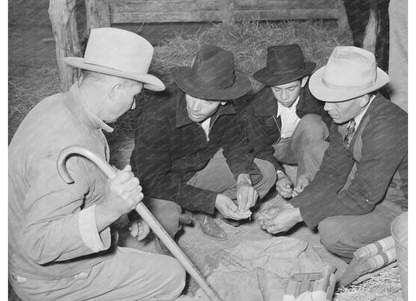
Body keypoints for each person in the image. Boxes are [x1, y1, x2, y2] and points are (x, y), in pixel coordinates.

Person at [8, 28, 188, 301]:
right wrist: (109, 210)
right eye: (134, 95)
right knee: (173, 277)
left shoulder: (60, 106)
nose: (132, 106)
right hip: (49, 277)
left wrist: (122, 214)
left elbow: (82, 186)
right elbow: (38, 244)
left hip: (29, 257)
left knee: (151, 242)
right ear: (115, 88)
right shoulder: (64, 147)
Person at [258, 46, 407, 262]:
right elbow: (331, 174)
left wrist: (299, 215)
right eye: (327, 98)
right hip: (371, 182)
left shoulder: (387, 125)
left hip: (399, 204)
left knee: (332, 232)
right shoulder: (347, 115)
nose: (327, 107)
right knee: (315, 151)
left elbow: (362, 198)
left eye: (336, 100)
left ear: (363, 98)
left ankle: (398, 250)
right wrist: (292, 206)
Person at [130, 45, 276, 242]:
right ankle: (190, 216)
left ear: (224, 100)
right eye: (193, 95)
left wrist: (243, 180)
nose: (196, 108)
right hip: (161, 183)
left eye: (209, 101)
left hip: (197, 170)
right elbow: (152, 180)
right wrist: (210, 199)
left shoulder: (227, 108)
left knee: (265, 172)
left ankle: (206, 212)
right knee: (167, 218)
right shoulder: (156, 114)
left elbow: (235, 143)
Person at [239, 44, 331, 199]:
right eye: (277, 90)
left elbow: (333, 131)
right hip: (274, 150)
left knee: (312, 123)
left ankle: (305, 183)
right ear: (269, 86)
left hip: (305, 145)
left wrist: (311, 172)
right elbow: (257, 147)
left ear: (303, 82)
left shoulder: (318, 99)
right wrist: (279, 174)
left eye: (290, 89)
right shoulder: (256, 107)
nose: (284, 97)